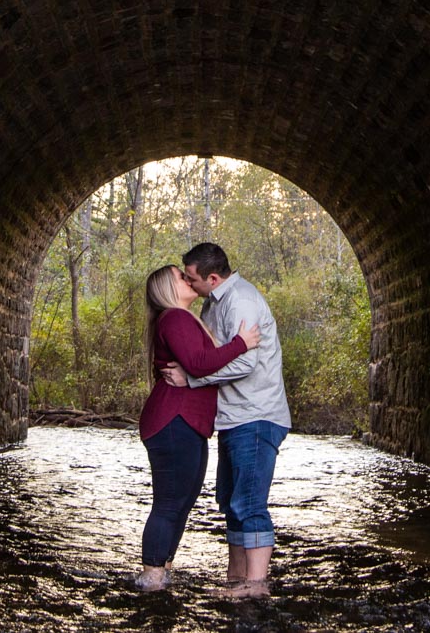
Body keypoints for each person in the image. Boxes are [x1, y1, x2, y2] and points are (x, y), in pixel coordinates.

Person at [161, 242, 291, 596]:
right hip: (234, 418)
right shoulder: (213, 302)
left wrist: (192, 379)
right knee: (231, 501)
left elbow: (244, 362)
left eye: (191, 278)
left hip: (257, 415)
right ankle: (236, 578)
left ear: (213, 278)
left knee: (249, 502)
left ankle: (256, 584)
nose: (189, 283)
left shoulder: (241, 301)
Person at [135, 263, 261, 591]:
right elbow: (198, 365)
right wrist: (240, 343)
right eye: (181, 277)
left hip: (187, 422)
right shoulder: (174, 317)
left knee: (183, 499)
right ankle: (152, 575)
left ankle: (162, 569)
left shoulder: (185, 318)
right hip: (173, 419)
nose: (188, 280)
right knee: (169, 502)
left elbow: (198, 365)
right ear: (167, 288)